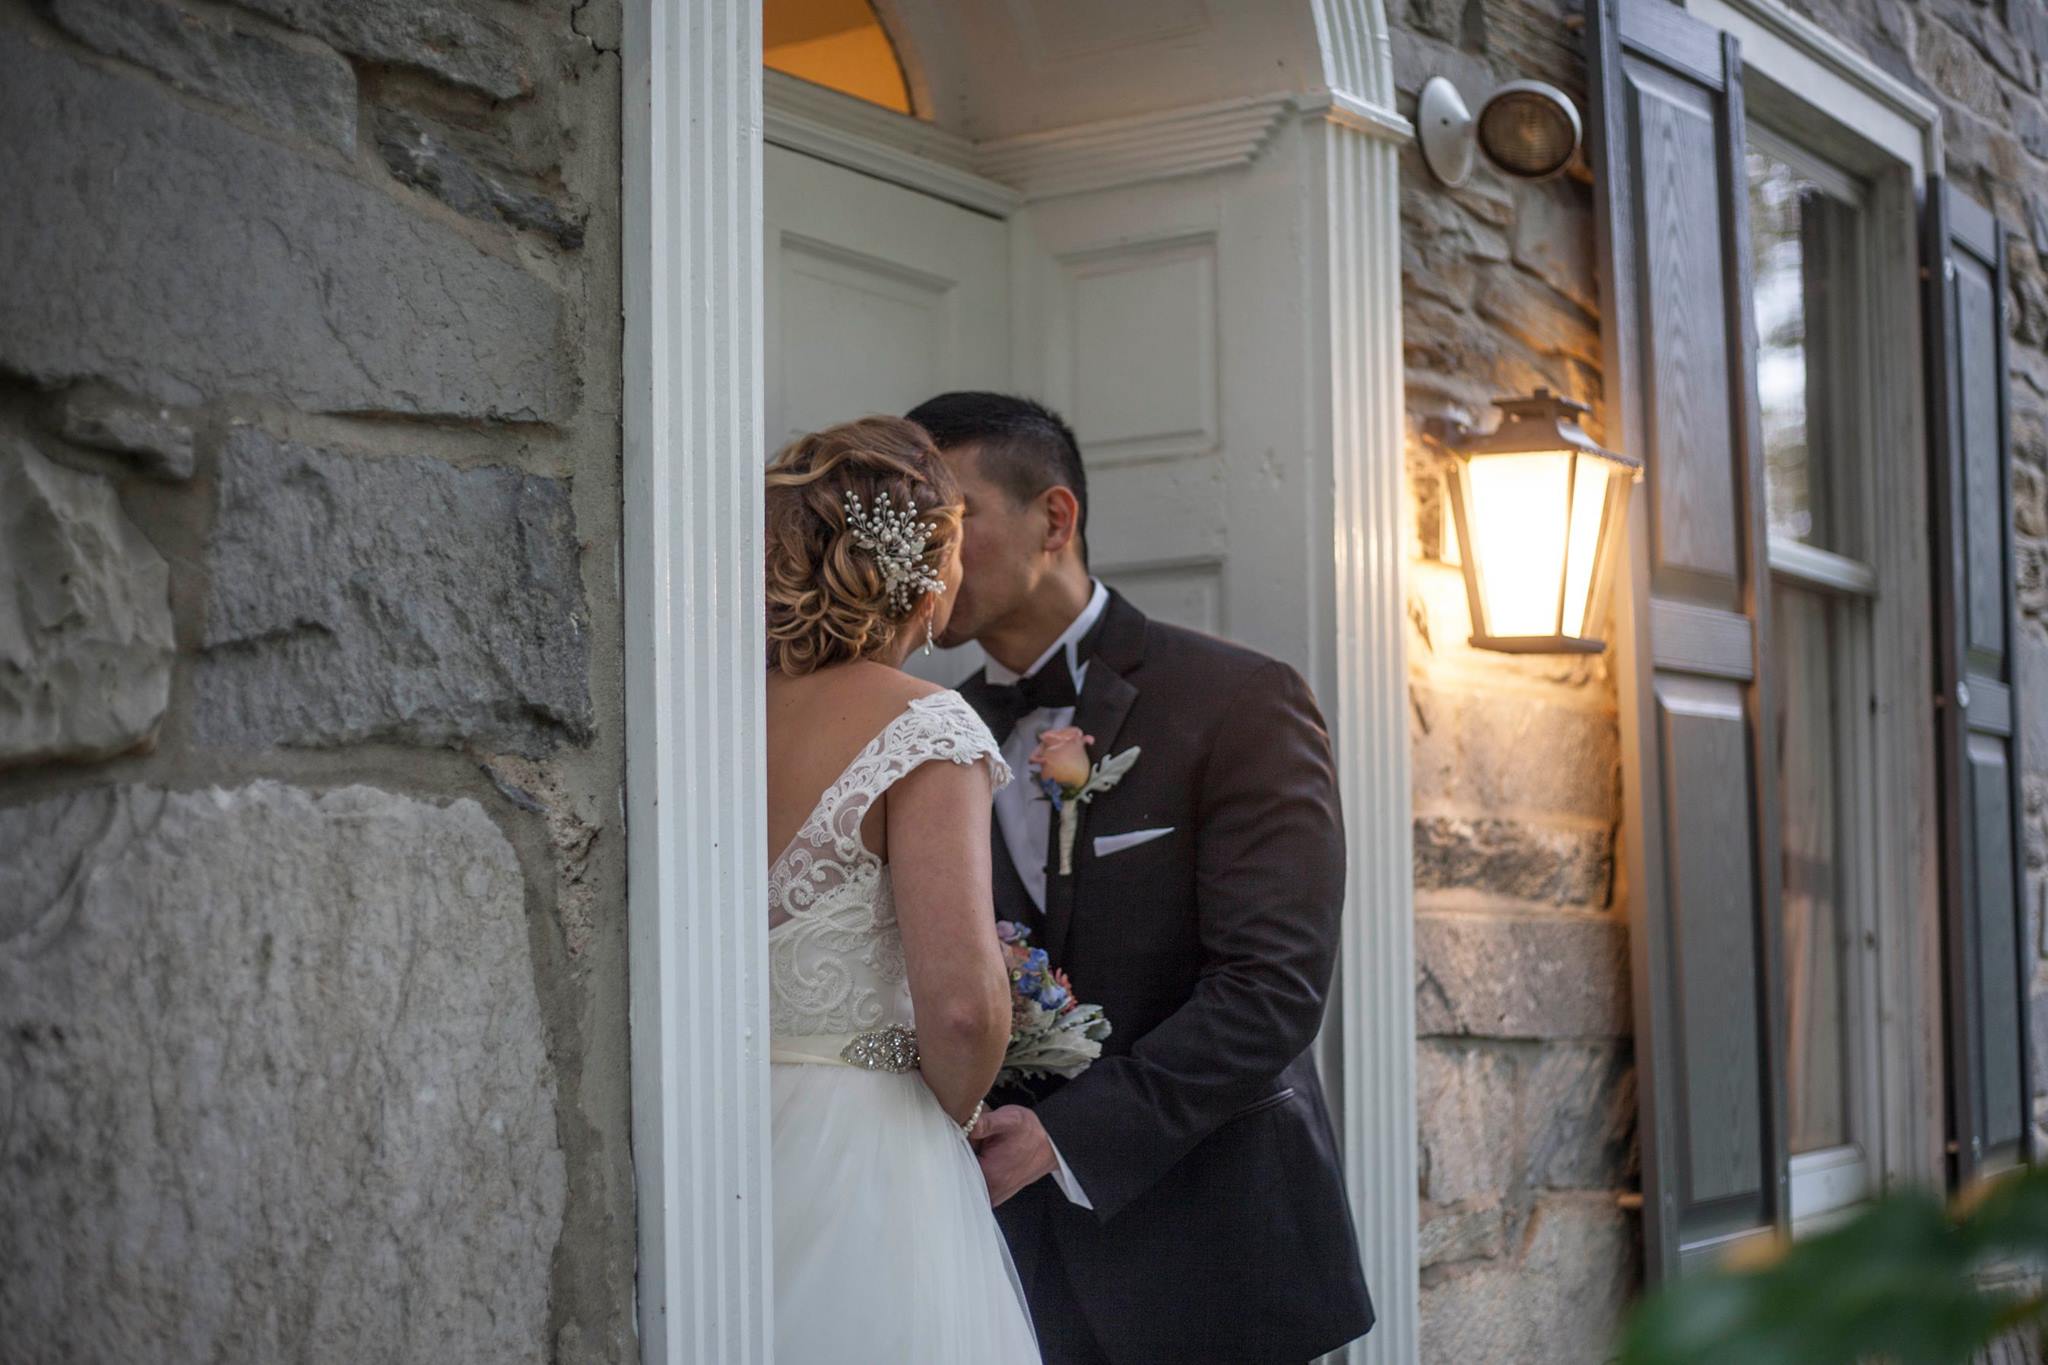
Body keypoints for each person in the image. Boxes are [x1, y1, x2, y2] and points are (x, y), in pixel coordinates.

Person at [907, 391, 1375, 1365]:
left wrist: (1066, 1139)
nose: (922, 549)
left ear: (1054, 518)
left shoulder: (1240, 700)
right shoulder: (927, 735)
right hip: (1002, 1267)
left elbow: (1272, 990)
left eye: (950, 516)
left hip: (1212, 1257)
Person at [763, 417, 1038, 1363]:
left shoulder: (716, 712)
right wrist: (952, 1114)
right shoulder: (929, 726)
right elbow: (962, 1010)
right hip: (863, 1156)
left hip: (718, 1135)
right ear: (930, 569)